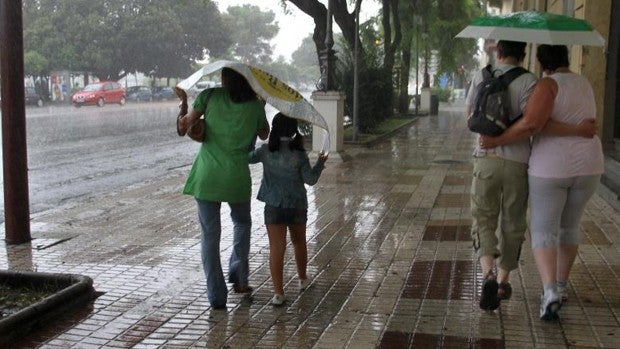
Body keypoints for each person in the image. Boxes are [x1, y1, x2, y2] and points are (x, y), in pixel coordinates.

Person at [479, 45, 602, 321]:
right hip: (590, 166)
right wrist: (579, 130)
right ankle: (560, 285)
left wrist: (496, 141)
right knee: (570, 226)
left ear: (540, 60)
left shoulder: (547, 84)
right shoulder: (584, 82)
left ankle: (549, 292)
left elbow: (532, 124)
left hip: (553, 168)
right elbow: (584, 123)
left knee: (544, 229)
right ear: (567, 57)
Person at [178, 67, 270, 310]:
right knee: (242, 223)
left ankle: (217, 298)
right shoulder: (254, 105)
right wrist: (261, 103)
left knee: (210, 236)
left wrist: (184, 107)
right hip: (236, 177)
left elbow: (185, 124)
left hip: (207, 176)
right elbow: (264, 133)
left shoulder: (208, 96)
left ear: (224, 78)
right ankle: (239, 278)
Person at [465, 40, 538, 311]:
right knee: (513, 220)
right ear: (524, 53)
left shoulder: (481, 75)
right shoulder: (531, 81)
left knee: (483, 217)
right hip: (518, 162)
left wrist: (492, 139)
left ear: (498, 52)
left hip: (485, 160)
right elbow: (531, 123)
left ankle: (488, 274)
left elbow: (469, 117)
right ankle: (504, 280)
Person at [248, 113, 328, 306]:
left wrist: (251, 135)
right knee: (299, 242)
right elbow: (310, 179)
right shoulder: (299, 155)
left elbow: (246, 158)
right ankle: (302, 279)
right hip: (297, 205)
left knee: (277, 248)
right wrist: (320, 163)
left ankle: (278, 293)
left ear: (274, 129)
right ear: (294, 131)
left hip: (274, 206)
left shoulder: (265, 151)